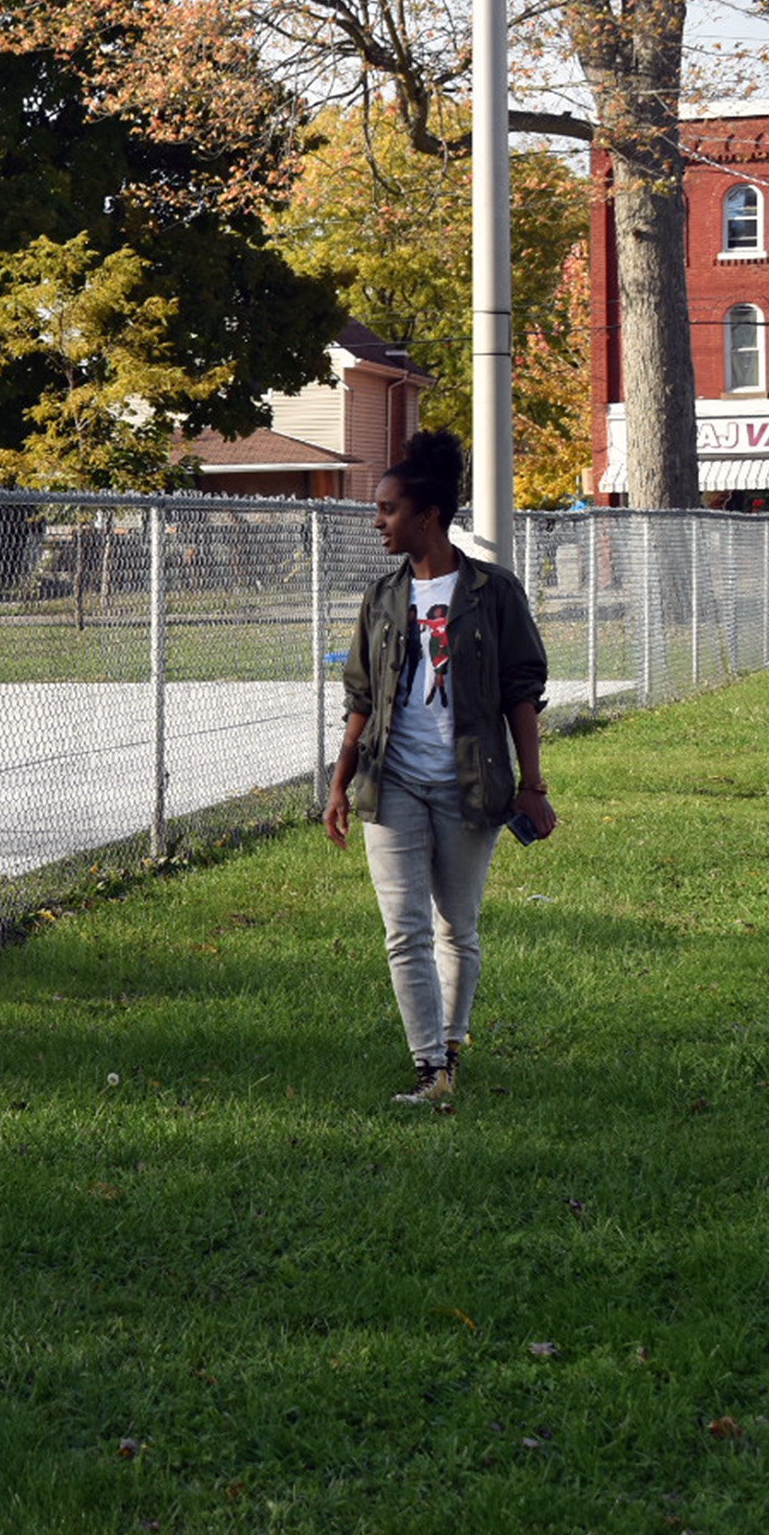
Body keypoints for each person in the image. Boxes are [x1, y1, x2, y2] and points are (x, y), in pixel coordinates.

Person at [322, 430, 556, 1105]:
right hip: (391, 781)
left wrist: (533, 784)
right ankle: (430, 1069)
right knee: (406, 930)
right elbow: (361, 701)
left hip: (469, 782)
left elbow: (522, 692)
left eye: (388, 509)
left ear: (426, 515)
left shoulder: (494, 592)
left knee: (457, 926)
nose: (378, 522)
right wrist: (338, 785)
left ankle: (450, 1047)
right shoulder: (383, 598)